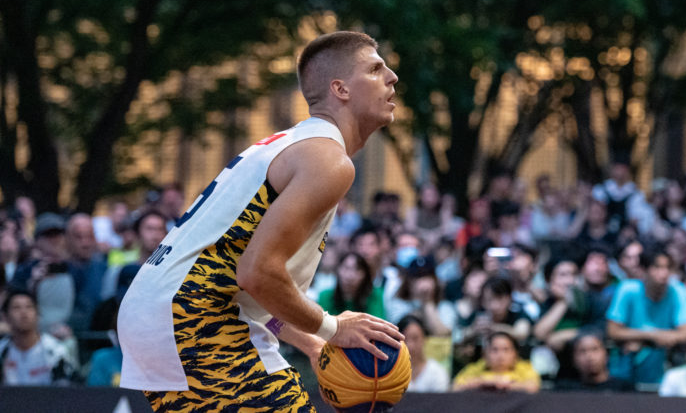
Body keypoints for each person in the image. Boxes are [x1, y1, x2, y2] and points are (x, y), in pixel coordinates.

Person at [117, 31, 405, 412]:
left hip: (168, 309)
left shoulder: (294, 145)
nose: (392, 77)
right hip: (194, 314)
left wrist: (312, 342)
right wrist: (333, 327)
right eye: (375, 69)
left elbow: (249, 283)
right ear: (341, 89)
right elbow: (256, 273)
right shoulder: (328, 161)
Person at [606, 244, 686, 387]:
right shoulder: (627, 289)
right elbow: (613, 331)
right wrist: (653, 336)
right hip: (627, 367)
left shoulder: (677, 290)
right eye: (657, 267)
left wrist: (639, 338)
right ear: (644, 270)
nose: (664, 273)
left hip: (664, 365)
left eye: (667, 268)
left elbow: (685, 333)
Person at [0, 289, 78, 384]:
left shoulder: (56, 351)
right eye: (16, 308)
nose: (24, 313)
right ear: (5, 316)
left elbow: (68, 388)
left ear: (38, 314)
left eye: (29, 307)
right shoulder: (2, 351)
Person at [451, 329, 541, 393]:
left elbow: (533, 387)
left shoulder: (525, 368)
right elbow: (455, 388)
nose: (500, 356)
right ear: (485, 354)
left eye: (506, 350)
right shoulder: (475, 368)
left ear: (515, 353)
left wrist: (505, 385)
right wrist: (486, 382)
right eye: (495, 350)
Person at [554, 329, 633, 391]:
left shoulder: (623, 389)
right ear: (573, 359)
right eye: (582, 351)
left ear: (606, 355)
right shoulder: (564, 390)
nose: (589, 357)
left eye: (595, 349)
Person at [398, 314, 450, 393]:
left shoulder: (437, 373)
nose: (410, 345)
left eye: (415, 338)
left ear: (425, 339)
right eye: (405, 339)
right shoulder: (392, 372)